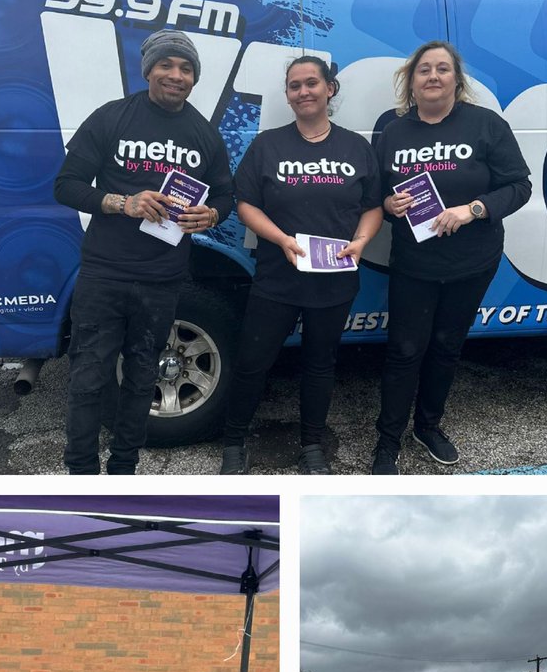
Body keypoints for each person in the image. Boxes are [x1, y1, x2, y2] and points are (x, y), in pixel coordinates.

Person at [54, 30, 233, 474]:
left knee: (140, 380)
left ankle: (123, 469)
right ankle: (80, 473)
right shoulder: (112, 118)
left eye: (186, 68)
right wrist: (122, 202)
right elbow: (65, 185)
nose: (176, 75)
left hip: (162, 279)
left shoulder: (203, 134)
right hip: (104, 275)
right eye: (167, 65)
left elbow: (227, 196)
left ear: (195, 78)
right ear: (148, 69)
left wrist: (211, 215)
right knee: (88, 380)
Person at [371, 40, 531, 474]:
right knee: (404, 350)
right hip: (414, 264)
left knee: (446, 347)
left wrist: (473, 209)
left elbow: (519, 186)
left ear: (457, 79)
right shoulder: (394, 132)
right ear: (412, 81)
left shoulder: (485, 125)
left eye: (443, 69)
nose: (434, 76)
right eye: (424, 70)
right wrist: (389, 205)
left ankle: (428, 426)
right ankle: (388, 441)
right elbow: (377, 194)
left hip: (471, 262)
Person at [220, 56, 383, 475]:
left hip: (334, 280)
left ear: (330, 89)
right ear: (288, 95)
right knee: (253, 360)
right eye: (294, 86)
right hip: (277, 277)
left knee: (320, 363)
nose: (303, 91)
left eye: (312, 83)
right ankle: (234, 442)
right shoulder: (268, 145)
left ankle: (312, 445)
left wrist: (362, 241)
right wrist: (281, 240)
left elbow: (373, 207)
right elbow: (245, 204)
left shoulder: (355, 146)